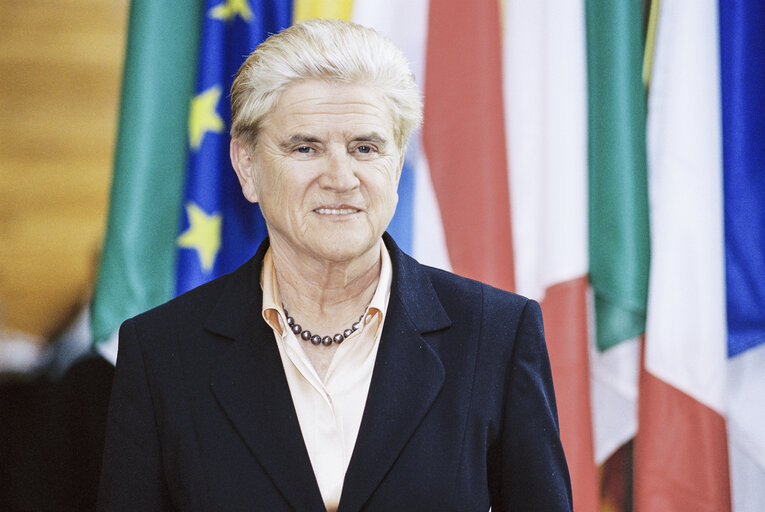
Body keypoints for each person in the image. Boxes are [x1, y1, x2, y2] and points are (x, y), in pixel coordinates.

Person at [98, 19, 572, 512]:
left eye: (365, 148)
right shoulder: (162, 352)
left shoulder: (496, 334)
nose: (341, 177)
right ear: (247, 166)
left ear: (397, 161)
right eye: (306, 148)